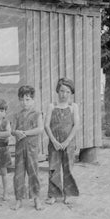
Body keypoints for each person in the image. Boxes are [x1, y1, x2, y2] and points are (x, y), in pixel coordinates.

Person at [44, 77, 80, 205]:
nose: (64, 95)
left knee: (68, 168)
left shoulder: (73, 107)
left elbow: (76, 125)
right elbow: (46, 125)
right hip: (54, 143)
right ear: (57, 91)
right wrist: (53, 141)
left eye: (67, 92)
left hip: (68, 143)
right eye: (62, 91)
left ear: (71, 93)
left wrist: (67, 141)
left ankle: (68, 194)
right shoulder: (52, 106)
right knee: (53, 168)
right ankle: (53, 194)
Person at [12, 85, 44, 210]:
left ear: (33, 100)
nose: (24, 103)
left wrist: (25, 133)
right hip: (20, 148)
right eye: (22, 100)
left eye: (28, 99)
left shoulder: (37, 114)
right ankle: (19, 199)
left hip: (32, 148)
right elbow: (13, 130)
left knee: (33, 173)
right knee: (18, 174)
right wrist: (16, 132)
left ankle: (36, 199)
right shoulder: (17, 115)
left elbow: (40, 129)